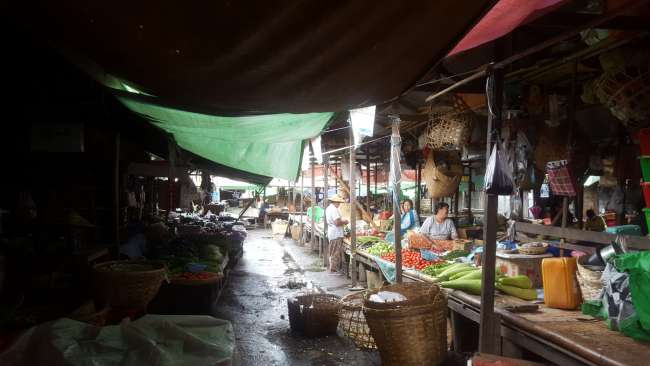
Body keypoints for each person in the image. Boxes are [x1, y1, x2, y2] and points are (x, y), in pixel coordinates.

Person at [326, 194, 349, 273]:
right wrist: (345, 221)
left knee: (333, 250)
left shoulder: (329, 208)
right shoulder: (334, 209)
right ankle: (333, 269)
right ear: (335, 202)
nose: (339, 204)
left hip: (332, 232)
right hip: (336, 233)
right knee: (335, 252)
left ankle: (333, 267)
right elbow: (337, 222)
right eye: (338, 202)